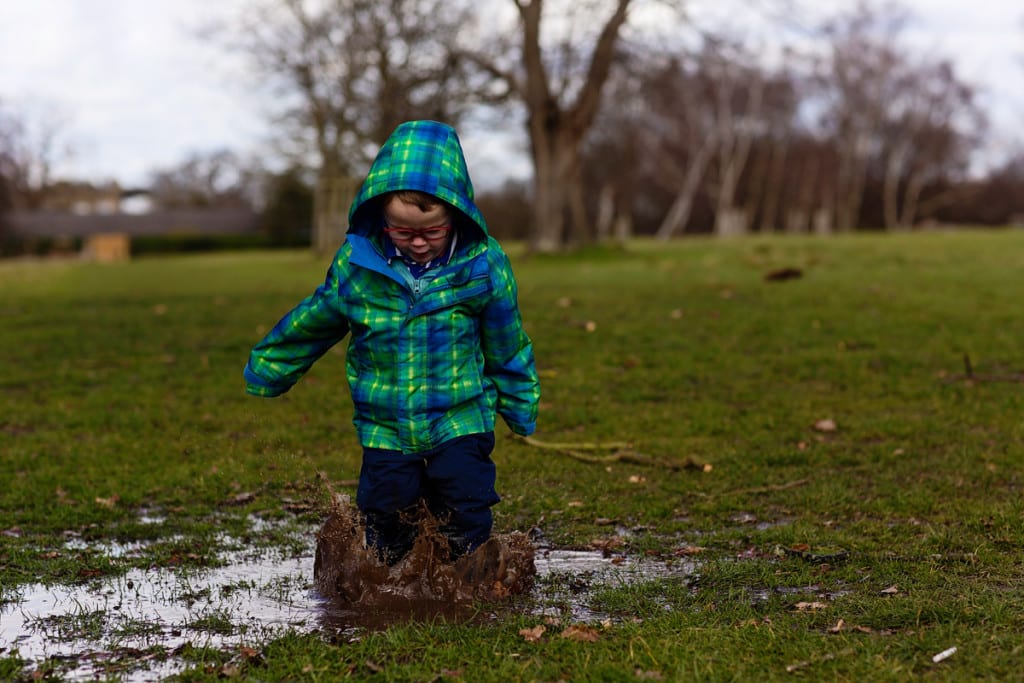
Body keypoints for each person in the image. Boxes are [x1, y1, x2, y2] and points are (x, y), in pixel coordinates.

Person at [244, 120, 540, 566]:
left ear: (455, 215)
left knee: (466, 502)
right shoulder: (357, 264)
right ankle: (391, 584)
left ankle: (468, 579)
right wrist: (272, 365)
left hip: (460, 414)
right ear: (380, 216)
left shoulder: (481, 265)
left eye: (431, 231)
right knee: (385, 512)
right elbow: (317, 318)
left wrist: (519, 402)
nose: (418, 242)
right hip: (385, 422)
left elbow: (506, 339)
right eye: (403, 232)